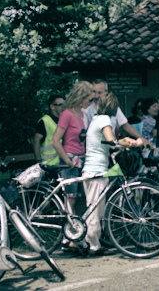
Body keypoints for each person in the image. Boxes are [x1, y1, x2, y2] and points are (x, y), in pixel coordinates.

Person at [82, 92, 140, 254]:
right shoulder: (104, 120)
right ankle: (93, 246)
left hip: (96, 169)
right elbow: (112, 141)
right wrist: (132, 142)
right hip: (96, 171)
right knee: (95, 210)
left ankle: (86, 241)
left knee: (96, 209)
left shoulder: (96, 119)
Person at [52, 81, 94, 216]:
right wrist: (68, 161)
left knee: (81, 198)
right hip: (69, 160)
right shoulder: (67, 114)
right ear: (81, 97)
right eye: (90, 99)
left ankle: (78, 228)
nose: (91, 102)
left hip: (81, 159)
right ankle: (68, 230)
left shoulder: (82, 113)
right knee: (71, 197)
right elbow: (55, 141)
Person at [84, 80, 149, 146]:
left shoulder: (108, 110)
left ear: (106, 92)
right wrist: (134, 144)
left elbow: (125, 125)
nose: (96, 96)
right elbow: (112, 143)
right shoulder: (99, 116)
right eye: (94, 92)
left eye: (99, 93)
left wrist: (141, 139)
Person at [33, 95, 64, 164]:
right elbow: (36, 140)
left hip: (62, 163)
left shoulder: (63, 120)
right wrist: (38, 161)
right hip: (49, 164)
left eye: (65, 104)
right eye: (60, 105)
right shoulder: (44, 121)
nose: (63, 107)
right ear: (52, 106)